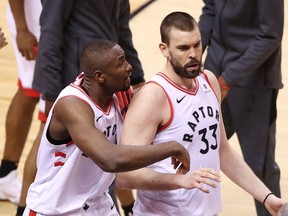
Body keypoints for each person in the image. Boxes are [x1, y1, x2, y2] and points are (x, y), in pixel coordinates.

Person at [116, 12, 286, 215]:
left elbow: (222, 151)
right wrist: (179, 180)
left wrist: (266, 197)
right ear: (164, 49)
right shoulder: (152, 97)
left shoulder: (209, 81)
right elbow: (125, 175)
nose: (194, 54)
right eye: (183, 48)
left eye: (197, 45)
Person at [23, 39, 206, 215]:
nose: (129, 66)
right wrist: (171, 148)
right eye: (120, 63)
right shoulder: (72, 105)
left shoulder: (119, 94)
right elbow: (110, 159)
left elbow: (156, 99)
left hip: (97, 205)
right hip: (54, 210)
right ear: (99, 76)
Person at [20, 1, 145, 215]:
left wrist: (138, 79)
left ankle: (127, 208)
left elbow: (122, 29)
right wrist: (51, 92)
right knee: (48, 147)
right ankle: (24, 208)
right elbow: (50, 30)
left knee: (111, 140)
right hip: (73, 77)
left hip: (109, 77)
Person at [198, 0, 284, 215]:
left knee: (259, 168)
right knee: (199, 153)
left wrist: (228, 79)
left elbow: (270, 36)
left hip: (253, 81)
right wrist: (194, 52)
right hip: (213, 72)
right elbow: (210, 10)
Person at [0, 0, 45, 211]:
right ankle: (27, 198)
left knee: (31, 92)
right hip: (33, 22)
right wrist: (22, 29)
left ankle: (6, 175)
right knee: (39, 96)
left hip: (51, 19)